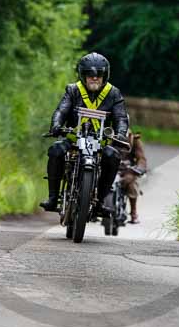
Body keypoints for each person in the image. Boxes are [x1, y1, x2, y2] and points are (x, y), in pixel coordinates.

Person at [40, 52, 129, 213]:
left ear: (105, 76)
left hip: (100, 143)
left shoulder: (113, 93)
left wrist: (121, 133)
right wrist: (56, 125)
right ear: (83, 75)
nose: (94, 78)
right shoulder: (73, 90)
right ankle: (53, 198)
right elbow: (61, 110)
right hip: (74, 140)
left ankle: (100, 201)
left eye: (99, 75)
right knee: (55, 150)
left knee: (113, 156)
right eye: (90, 74)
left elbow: (121, 117)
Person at [119, 128, 147, 224]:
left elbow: (141, 158)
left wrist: (139, 169)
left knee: (131, 183)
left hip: (128, 170)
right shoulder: (109, 134)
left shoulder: (135, 140)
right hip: (111, 167)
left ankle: (133, 212)